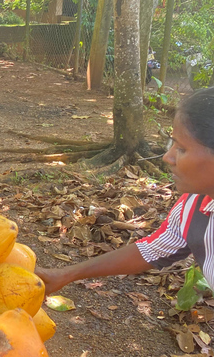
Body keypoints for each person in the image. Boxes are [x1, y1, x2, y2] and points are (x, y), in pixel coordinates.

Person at [36, 87, 214, 294]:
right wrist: (66, 274)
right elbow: (152, 250)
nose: (168, 157)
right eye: (172, 144)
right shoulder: (194, 205)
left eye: (182, 149)